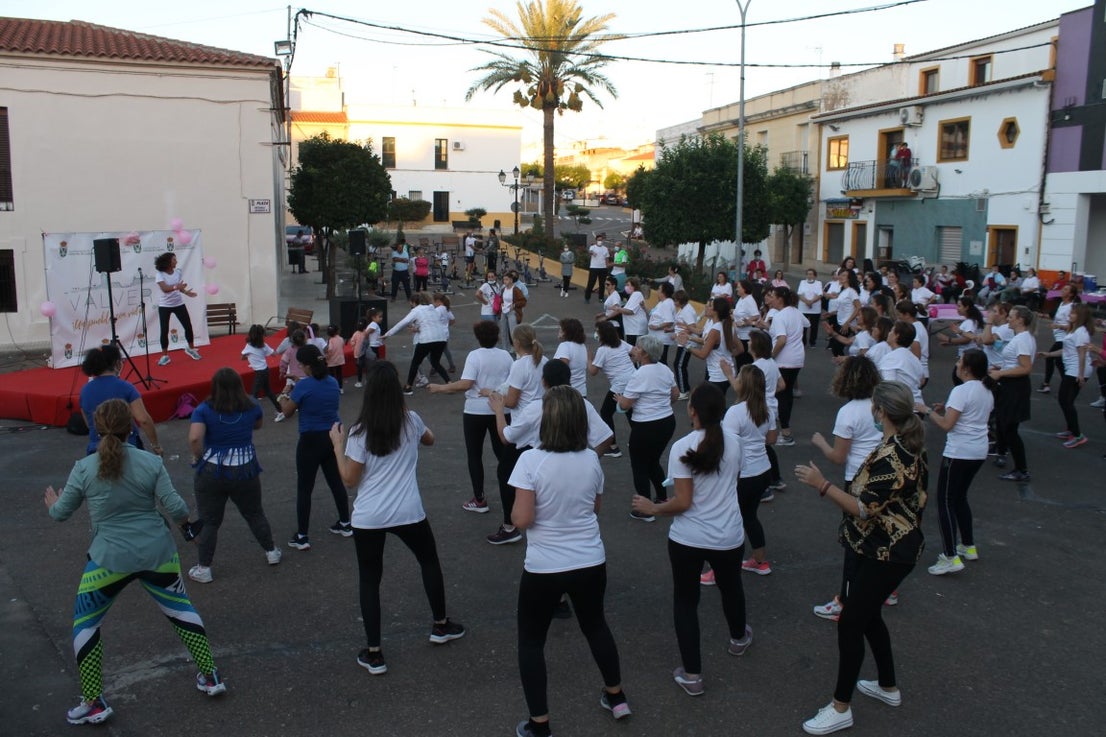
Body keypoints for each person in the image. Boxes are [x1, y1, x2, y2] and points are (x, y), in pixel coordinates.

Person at [45, 398, 226, 725]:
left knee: (85, 624)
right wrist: (188, 526)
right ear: (131, 427)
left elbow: (60, 514)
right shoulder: (150, 462)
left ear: (96, 429)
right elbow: (177, 508)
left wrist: (53, 503)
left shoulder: (84, 468)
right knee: (181, 611)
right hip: (157, 553)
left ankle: (94, 701)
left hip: (107, 559)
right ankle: (211, 676)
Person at [794, 381, 927, 736]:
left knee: (852, 622)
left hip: (887, 551)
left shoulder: (894, 454)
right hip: (880, 547)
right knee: (868, 617)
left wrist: (822, 484)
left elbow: (865, 508)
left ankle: (841, 707)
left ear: (880, 412)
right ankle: (887, 686)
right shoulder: (903, 443)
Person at [328, 361, 464, 676]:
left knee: (370, 579)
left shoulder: (360, 432)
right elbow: (431, 439)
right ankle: (440, 624)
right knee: (428, 561)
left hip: (369, 516)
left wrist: (337, 445)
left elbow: (349, 479)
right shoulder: (411, 421)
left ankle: (374, 652)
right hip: (408, 511)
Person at [509, 386, 629, 736]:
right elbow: (595, 507)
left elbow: (521, 520)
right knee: (595, 626)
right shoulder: (591, 458)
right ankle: (616, 695)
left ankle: (539, 724)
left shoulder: (530, 460)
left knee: (531, 641)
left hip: (545, 566)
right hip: (590, 560)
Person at [631, 383, 752, 697]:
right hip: (728, 534)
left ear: (692, 410)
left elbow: (682, 502)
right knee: (731, 587)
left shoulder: (683, 447)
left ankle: (693, 674)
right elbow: (734, 483)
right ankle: (739, 638)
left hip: (688, 537)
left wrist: (653, 507)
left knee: (686, 602)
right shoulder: (736, 443)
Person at [809, 356, 885, 622]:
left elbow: (838, 457)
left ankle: (845, 601)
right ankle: (886, 589)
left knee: (854, 542)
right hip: (883, 475)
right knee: (878, 534)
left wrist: (821, 443)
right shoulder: (880, 405)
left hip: (857, 479)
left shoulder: (849, 412)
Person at [187, 368, 280, 583]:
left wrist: (197, 456)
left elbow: (194, 438)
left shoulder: (204, 409)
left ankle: (204, 568)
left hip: (211, 469)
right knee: (254, 512)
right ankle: (271, 551)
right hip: (244, 468)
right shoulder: (251, 405)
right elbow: (258, 425)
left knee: (210, 521)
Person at [918, 349, 993, 575]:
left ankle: (950, 555)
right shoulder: (986, 390)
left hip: (960, 452)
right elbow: (964, 415)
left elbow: (946, 425)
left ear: (967, 368)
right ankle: (968, 546)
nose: (957, 364)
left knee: (945, 501)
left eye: (960, 361)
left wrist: (927, 410)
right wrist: (946, 409)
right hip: (979, 451)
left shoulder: (961, 390)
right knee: (959, 498)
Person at [427, 320, 513, 514]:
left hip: (475, 410)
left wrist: (440, 388)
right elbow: (511, 382)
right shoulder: (506, 356)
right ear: (497, 336)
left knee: (475, 455)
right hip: (501, 408)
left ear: (478, 338)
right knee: (504, 455)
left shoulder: (475, 356)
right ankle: (513, 493)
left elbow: (466, 384)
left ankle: (479, 499)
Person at [279, 345, 351, 550]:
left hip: (310, 439)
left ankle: (302, 535)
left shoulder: (303, 386)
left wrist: (284, 393)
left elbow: (287, 412)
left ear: (308, 366)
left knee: (305, 488)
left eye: (301, 365)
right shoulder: (331, 382)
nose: (300, 368)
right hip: (331, 435)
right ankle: (345, 523)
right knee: (335, 481)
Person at [617, 336, 679, 521]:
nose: (634, 350)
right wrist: (659, 404)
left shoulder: (640, 374)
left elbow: (626, 404)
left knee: (639, 466)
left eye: (637, 347)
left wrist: (620, 400)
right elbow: (674, 394)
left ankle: (644, 510)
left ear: (644, 353)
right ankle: (661, 497)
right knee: (652, 461)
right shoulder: (664, 369)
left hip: (646, 426)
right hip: (667, 421)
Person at [722, 365, 776, 576]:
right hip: (762, 471)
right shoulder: (766, 410)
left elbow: (727, 446)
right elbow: (771, 439)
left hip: (742, 475)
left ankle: (722, 568)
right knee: (749, 516)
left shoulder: (735, 412)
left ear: (742, 385)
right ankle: (760, 561)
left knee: (729, 518)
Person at [78, 344, 162, 456]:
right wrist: (155, 445)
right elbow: (143, 419)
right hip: (128, 447)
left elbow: (89, 423)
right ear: (117, 363)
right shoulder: (126, 387)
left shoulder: (85, 390)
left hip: (97, 448)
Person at [988, 305, 1037, 481]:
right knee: (1004, 424)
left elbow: (1025, 368)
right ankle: (1003, 454)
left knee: (1010, 429)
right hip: (1010, 385)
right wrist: (1000, 367)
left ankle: (1021, 469)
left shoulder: (1022, 339)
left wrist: (1000, 373)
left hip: (1015, 387)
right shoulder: (1022, 337)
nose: (1008, 319)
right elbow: (1015, 364)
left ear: (1020, 320)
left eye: (1011, 316)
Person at [1039, 304, 1095, 448]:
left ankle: (1077, 435)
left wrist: (1081, 375)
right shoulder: (1073, 330)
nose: (1070, 315)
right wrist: (1049, 354)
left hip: (1076, 370)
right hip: (1073, 368)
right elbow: (1066, 350)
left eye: (1074, 313)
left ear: (1080, 316)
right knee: (1066, 400)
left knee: (1065, 400)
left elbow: (1082, 354)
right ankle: (1071, 429)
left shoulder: (1081, 332)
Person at [383, 293, 450, 395]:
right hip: (441, 338)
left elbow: (402, 323)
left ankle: (408, 387)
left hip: (426, 339)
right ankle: (449, 383)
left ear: (414, 302)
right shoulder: (432, 309)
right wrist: (418, 328)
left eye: (411, 302)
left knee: (415, 362)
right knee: (435, 362)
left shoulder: (416, 310)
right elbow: (431, 323)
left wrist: (388, 334)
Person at [589, 320, 635, 459]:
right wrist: (629, 363)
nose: (596, 334)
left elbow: (593, 371)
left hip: (619, 386)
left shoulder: (603, 350)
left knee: (605, 412)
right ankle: (637, 440)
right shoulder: (621, 343)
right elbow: (635, 351)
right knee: (629, 411)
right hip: (633, 380)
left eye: (597, 331)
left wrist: (589, 358)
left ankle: (613, 447)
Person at [677, 297, 741, 397]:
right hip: (727, 373)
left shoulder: (715, 330)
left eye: (710, 306)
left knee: (709, 407)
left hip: (717, 376)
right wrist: (726, 356)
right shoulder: (728, 326)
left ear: (716, 311)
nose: (706, 308)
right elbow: (740, 349)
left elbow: (703, 355)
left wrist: (686, 345)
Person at [766, 286, 805, 447]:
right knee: (787, 394)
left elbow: (781, 340)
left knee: (781, 394)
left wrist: (770, 356)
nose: (770, 299)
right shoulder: (796, 312)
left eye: (772, 296)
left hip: (784, 359)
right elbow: (806, 323)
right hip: (797, 358)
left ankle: (786, 432)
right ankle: (784, 429)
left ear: (780, 299)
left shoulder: (780, 316)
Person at [153, 252, 201, 366]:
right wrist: (176, 287)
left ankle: (191, 349)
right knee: (164, 330)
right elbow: (165, 288)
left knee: (188, 326)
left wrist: (186, 292)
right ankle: (165, 356)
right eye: (174, 260)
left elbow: (178, 288)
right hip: (165, 306)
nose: (176, 261)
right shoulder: (160, 274)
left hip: (178, 303)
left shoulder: (177, 272)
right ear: (168, 262)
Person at [1039, 283, 1079, 394]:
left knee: (1049, 357)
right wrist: (1042, 315)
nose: (1062, 290)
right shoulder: (1061, 303)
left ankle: (1046, 384)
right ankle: (1069, 383)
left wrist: (1058, 326)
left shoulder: (1072, 307)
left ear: (1070, 294)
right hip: (1058, 337)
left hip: (1065, 338)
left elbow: (1073, 326)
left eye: (1065, 289)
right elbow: (1056, 317)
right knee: (1060, 362)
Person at [936, 298, 984, 385]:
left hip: (969, 357)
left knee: (959, 380)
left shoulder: (970, 322)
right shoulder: (970, 320)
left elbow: (967, 339)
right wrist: (950, 343)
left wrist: (948, 339)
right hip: (967, 355)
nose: (957, 308)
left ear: (966, 307)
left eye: (959, 306)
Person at [878, 321, 925, 405]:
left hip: (901, 407)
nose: (889, 333)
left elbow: (889, 387)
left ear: (897, 335)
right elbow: (921, 380)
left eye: (892, 330)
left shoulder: (891, 358)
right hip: (918, 404)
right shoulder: (914, 358)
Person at [826, 270, 862, 358]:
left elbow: (858, 307)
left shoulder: (852, 291)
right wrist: (831, 313)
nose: (841, 277)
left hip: (846, 324)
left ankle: (845, 365)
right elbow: (844, 307)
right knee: (835, 347)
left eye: (844, 276)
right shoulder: (843, 290)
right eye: (840, 275)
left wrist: (848, 323)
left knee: (837, 347)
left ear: (849, 279)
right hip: (840, 321)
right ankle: (843, 366)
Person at [671, 290, 699, 400]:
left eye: (675, 300)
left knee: (679, 365)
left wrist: (678, 335)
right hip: (682, 342)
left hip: (686, 343)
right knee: (679, 365)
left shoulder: (687, 311)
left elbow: (692, 327)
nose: (674, 302)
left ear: (680, 300)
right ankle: (685, 387)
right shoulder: (684, 309)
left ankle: (684, 390)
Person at [554, 317, 589, 397]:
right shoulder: (582, 346)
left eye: (561, 329)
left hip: (567, 394)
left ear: (566, 332)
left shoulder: (565, 346)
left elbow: (561, 370)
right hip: (581, 392)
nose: (559, 331)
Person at [648, 282, 678, 365]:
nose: (657, 291)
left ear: (664, 292)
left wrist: (656, 327)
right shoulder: (662, 302)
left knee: (661, 361)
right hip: (658, 338)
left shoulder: (667, 303)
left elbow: (669, 321)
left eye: (659, 289)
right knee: (660, 361)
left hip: (662, 338)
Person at [617, 277, 648, 346]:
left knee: (633, 349)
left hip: (635, 327)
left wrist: (617, 309)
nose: (626, 287)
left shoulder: (637, 294)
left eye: (628, 285)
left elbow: (630, 311)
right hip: (632, 327)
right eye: (626, 285)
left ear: (634, 286)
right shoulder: (633, 295)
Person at [798, 269, 825, 347]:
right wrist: (807, 302)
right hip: (803, 308)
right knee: (803, 326)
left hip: (815, 309)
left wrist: (811, 302)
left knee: (814, 326)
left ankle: (812, 342)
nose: (809, 276)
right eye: (808, 274)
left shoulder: (818, 283)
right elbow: (800, 294)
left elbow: (819, 294)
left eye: (811, 274)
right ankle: (803, 342)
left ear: (814, 275)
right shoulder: (802, 282)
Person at [595, 276, 624, 340]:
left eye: (608, 284)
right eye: (605, 284)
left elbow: (617, 310)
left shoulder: (615, 296)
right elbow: (611, 309)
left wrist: (605, 317)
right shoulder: (611, 295)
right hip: (611, 323)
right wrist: (603, 314)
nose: (606, 286)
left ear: (613, 286)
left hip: (614, 324)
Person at [584, 236, 610, 303]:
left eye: (601, 240)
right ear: (596, 240)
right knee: (591, 283)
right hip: (594, 268)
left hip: (603, 268)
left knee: (602, 284)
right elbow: (590, 251)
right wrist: (592, 253)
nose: (600, 241)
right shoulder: (593, 247)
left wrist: (607, 266)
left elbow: (607, 258)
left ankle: (601, 298)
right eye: (598, 240)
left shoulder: (605, 249)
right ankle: (587, 297)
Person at [324, 325, 346, 393]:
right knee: (339, 374)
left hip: (331, 361)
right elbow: (342, 346)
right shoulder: (341, 339)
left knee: (332, 375)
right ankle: (341, 388)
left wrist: (326, 357)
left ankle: (333, 388)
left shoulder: (330, 340)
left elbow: (329, 350)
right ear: (337, 331)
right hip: (339, 360)